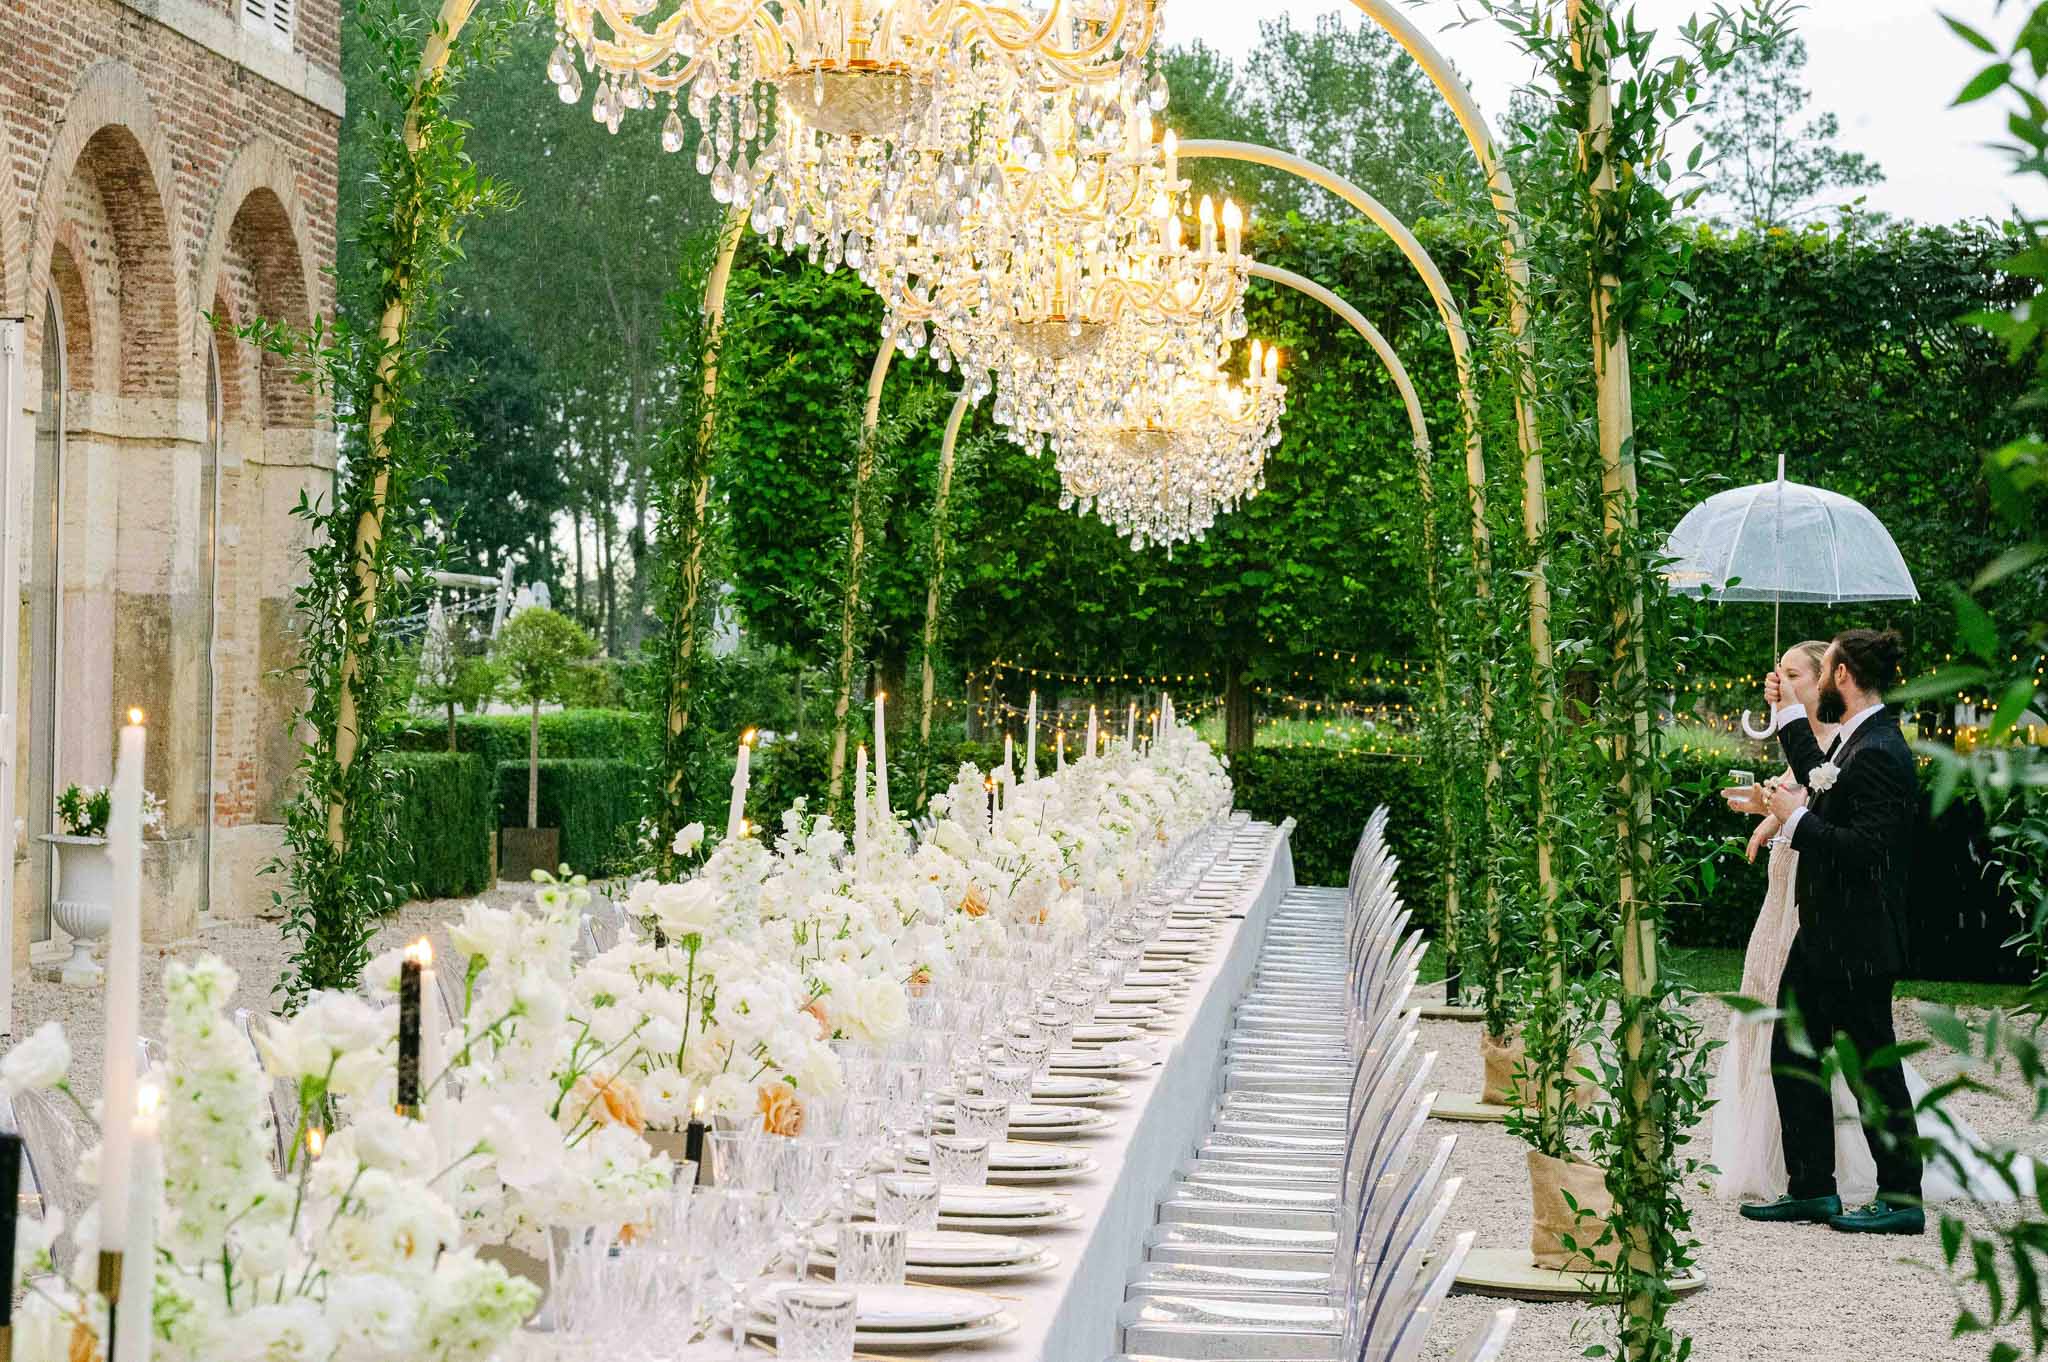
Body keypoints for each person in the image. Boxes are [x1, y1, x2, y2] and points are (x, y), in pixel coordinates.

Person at [1725, 628, 1926, 1232]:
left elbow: (1865, 852)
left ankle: (1901, 1199)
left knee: (1872, 1065)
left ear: (1841, 675)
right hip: (1822, 936)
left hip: (1859, 940)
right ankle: (1811, 1186)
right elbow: (1816, 776)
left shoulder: (1882, 750)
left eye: (1824, 666)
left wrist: (1797, 819)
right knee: (1793, 1052)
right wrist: (1784, 709)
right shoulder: (1854, 743)